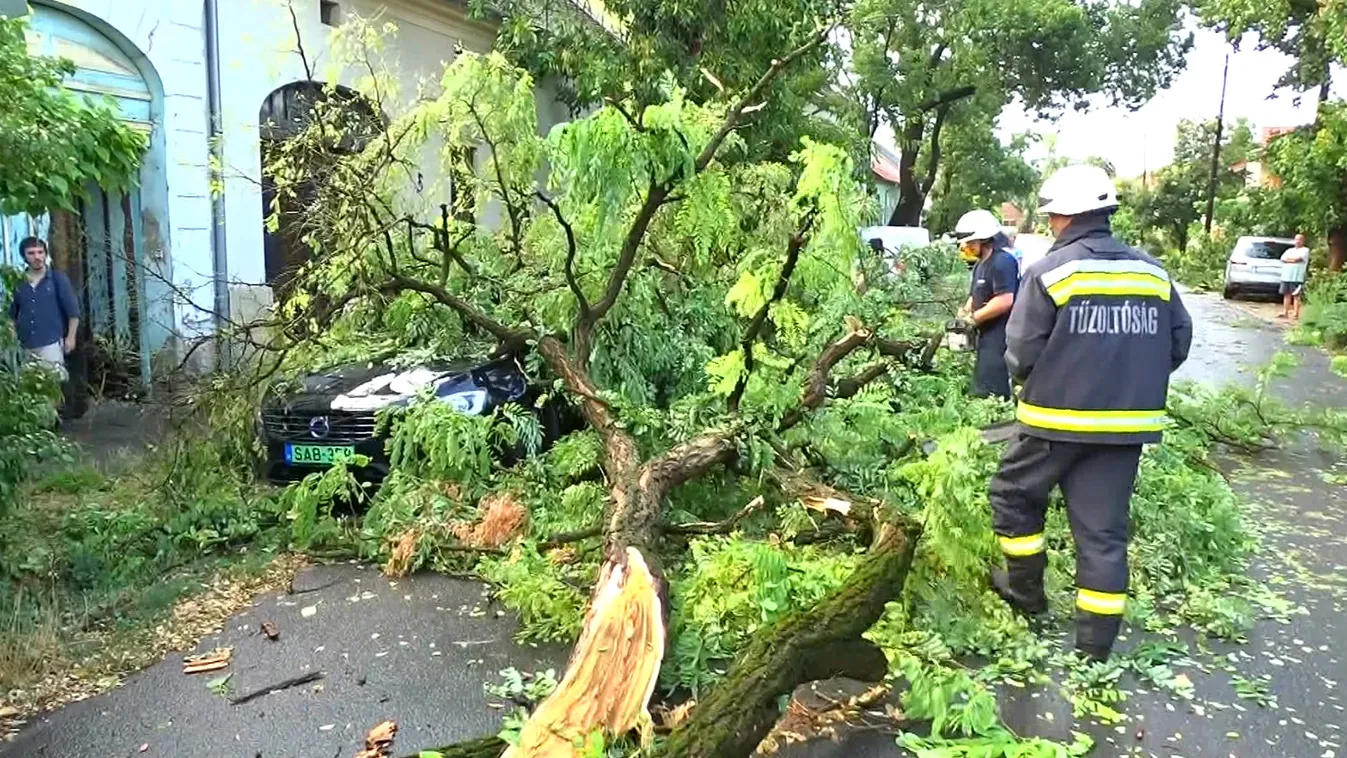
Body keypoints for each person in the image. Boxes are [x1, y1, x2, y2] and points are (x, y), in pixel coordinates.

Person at [988, 165, 1193, 662]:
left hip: (1053, 423)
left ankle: (1027, 595)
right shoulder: (1152, 272)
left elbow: (1019, 353)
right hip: (1124, 430)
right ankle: (1094, 651)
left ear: (1061, 216)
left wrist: (1052, 377)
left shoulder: (1051, 272)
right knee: (1103, 535)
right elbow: (1179, 342)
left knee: (1013, 495)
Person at [955, 209, 1019, 399]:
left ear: (984, 239)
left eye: (971, 242)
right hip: (985, 335)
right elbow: (976, 294)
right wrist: (964, 313)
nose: (968, 247)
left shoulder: (1003, 261)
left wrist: (973, 319)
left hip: (1001, 336)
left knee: (992, 387)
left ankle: (996, 421)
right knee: (981, 381)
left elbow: (1005, 299)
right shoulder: (980, 265)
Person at [7, 237, 79, 381]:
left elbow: (73, 312)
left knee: (52, 385)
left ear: (46, 254)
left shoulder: (57, 280)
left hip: (50, 343)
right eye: (31, 253)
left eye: (40, 252)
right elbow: (11, 314)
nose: (37, 257)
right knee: (28, 388)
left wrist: (71, 337)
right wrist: (12, 339)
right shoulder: (18, 282)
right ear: (24, 256)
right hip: (25, 344)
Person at [1280, 234, 1310, 321]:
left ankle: (1295, 313)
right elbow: (1282, 258)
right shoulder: (1289, 250)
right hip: (1286, 276)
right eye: (1296, 239)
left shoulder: (1305, 250)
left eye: (1300, 239)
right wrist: (1291, 260)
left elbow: (1298, 259)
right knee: (1286, 294)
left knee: (1296, 295)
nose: (1297, 241)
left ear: (1303, 241)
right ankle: (1285, 312)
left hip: (1297, 277)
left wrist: (1289, 260)